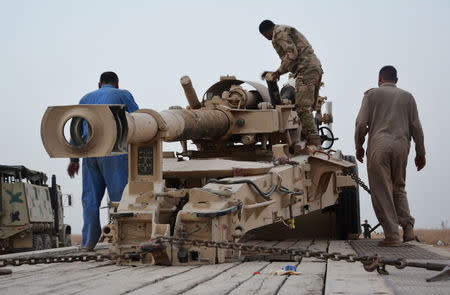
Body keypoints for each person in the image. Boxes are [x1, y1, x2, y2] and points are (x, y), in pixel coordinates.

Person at [67, 71, 139, 251]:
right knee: (120, 199)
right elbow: (139, 119)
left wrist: (74, 159)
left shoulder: (85, 99)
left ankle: (88, 243)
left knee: (90, 200)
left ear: (99, 84)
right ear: (116, 83)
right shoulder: (123, 94)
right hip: (116, 152)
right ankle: (124, 241)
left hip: (90, 152)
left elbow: (75, 128)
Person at [355, 66, 426, 247]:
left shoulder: (371, 95)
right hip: (402, 146)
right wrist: (421, 153)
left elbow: (361, 123)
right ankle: (408, 230)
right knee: (399, 186)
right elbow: (417, 128)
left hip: (379, 146)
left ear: (380, 79)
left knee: (382, 190)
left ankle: (392, 236)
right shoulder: (408, 97)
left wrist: (359, 146)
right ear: (396, 79)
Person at [259, 19, 322, 146]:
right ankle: (313, 140)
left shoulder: (279, 33)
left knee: (303, 108)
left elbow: (292, 54)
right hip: (312, 68)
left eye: (265, 36)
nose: (267, 39)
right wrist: (278, 71)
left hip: (306, 70)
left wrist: (278, 72)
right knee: (307, 108)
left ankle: (315, 144)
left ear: (267, 31)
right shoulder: (283, 30)